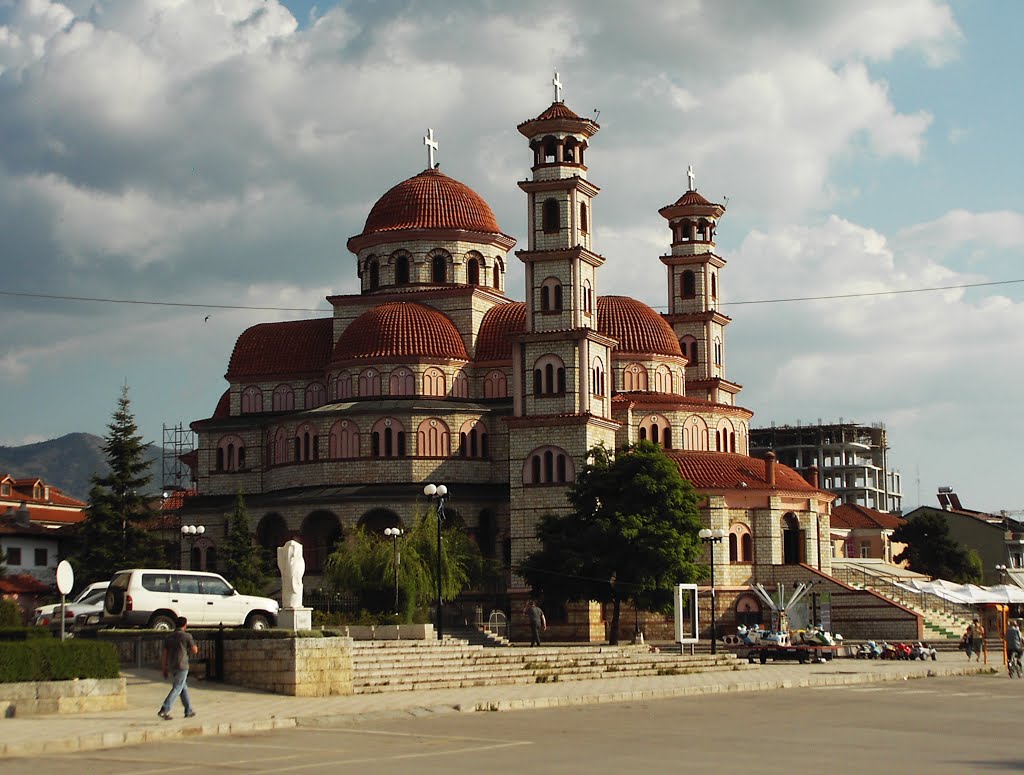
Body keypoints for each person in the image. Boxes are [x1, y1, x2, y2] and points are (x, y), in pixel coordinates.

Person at [158, 616, 198, 720]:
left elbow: (165, 654)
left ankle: (188, 710)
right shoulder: (186, 636)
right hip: (182, 665)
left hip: (172, 665)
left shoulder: (169, 637)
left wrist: (164, 669)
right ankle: (165, 709)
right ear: (185, 625)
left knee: (183, 687)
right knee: (177, 688)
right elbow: (195, 650)